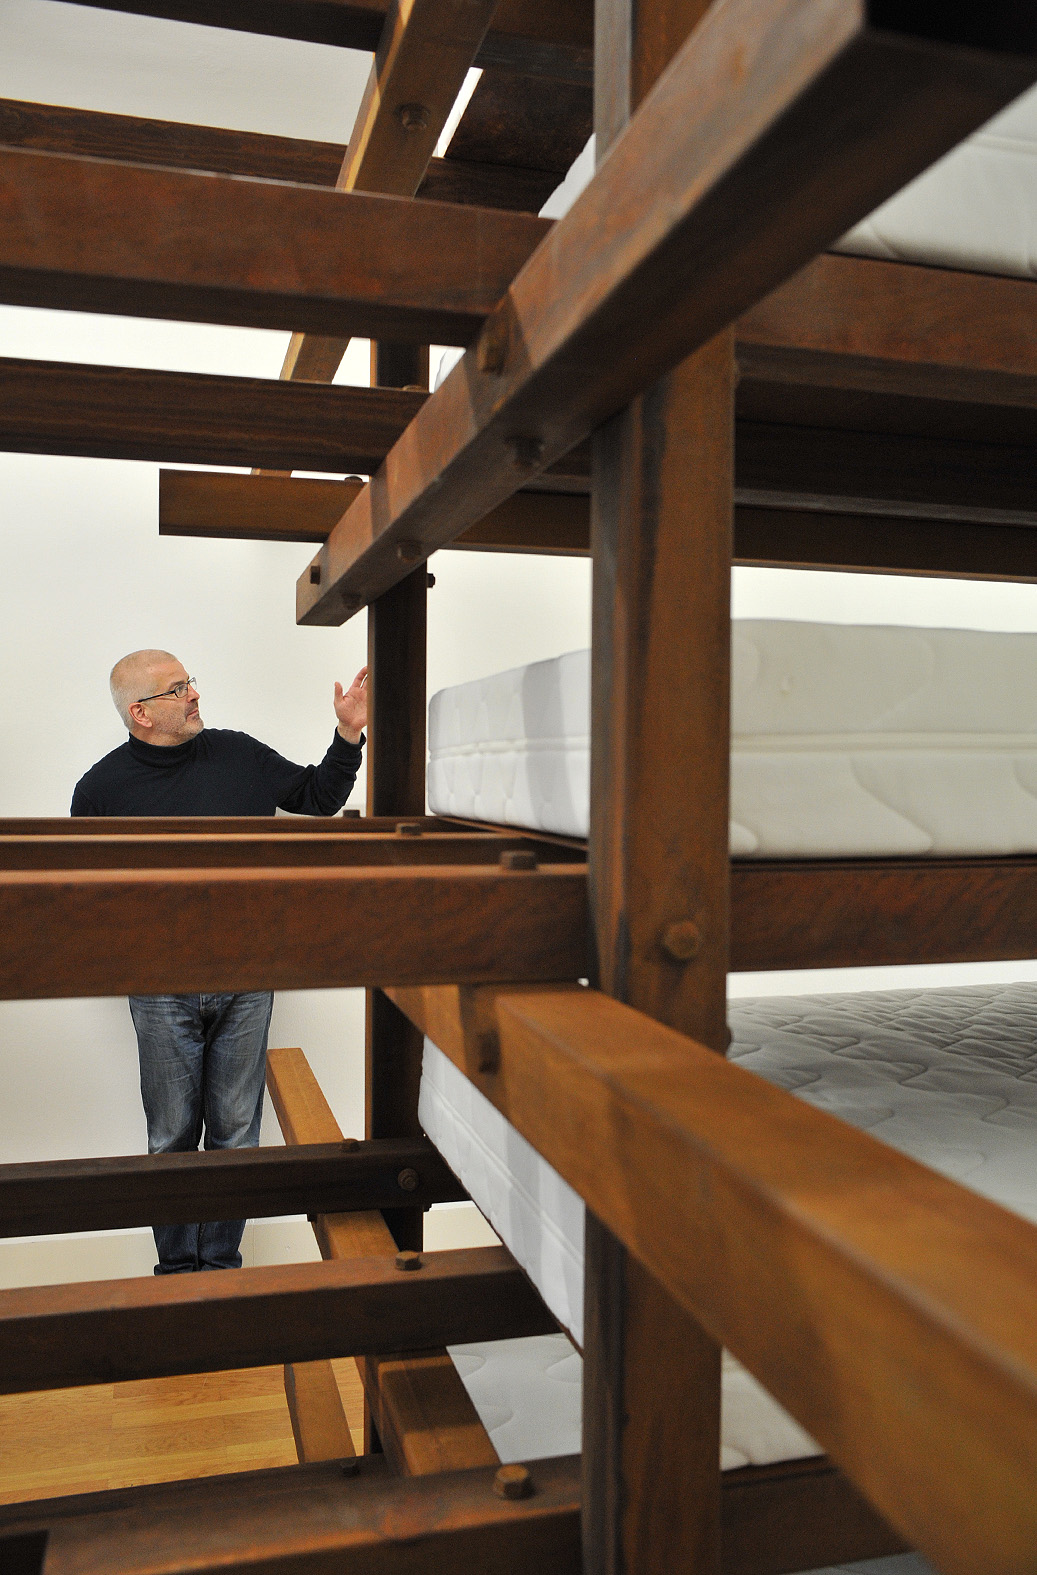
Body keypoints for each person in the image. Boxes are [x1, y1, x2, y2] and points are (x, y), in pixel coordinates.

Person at [71, 649, 368, 1274]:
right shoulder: (100, 790)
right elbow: (87, 898)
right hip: (159, 987)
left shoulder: (237, 753)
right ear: (141, 713)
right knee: (171, 1137)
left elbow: (317, 797)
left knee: (237, 1133)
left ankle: (222, 1271)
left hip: (248, 977)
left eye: (191, 682)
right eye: (177, 688)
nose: (194, 694)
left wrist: (347, 734)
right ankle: (179, 1276)